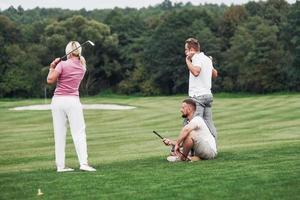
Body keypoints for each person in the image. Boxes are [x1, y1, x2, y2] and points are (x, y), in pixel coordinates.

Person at [47, 41, 96, 172]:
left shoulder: (61, 65)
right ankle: (84, 163)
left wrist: (52, 67)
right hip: (73, 101)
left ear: (68, 51)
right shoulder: (82, 67)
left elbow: (50, 80)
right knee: (79, 132)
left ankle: (60, 166)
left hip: (58, 101)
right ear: (79, 51)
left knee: (59, 133)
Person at [184, 38, 218, 139]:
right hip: (208, 95)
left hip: (198, 96)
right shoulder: (207, 59)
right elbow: (215, 74)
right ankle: (213, 146)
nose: (185, 52)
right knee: (209, 123)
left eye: (186, 49)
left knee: (193, 124)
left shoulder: (197, 58)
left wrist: (187, 60)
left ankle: (191, 150)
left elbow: (196, 72)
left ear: (191, 50)